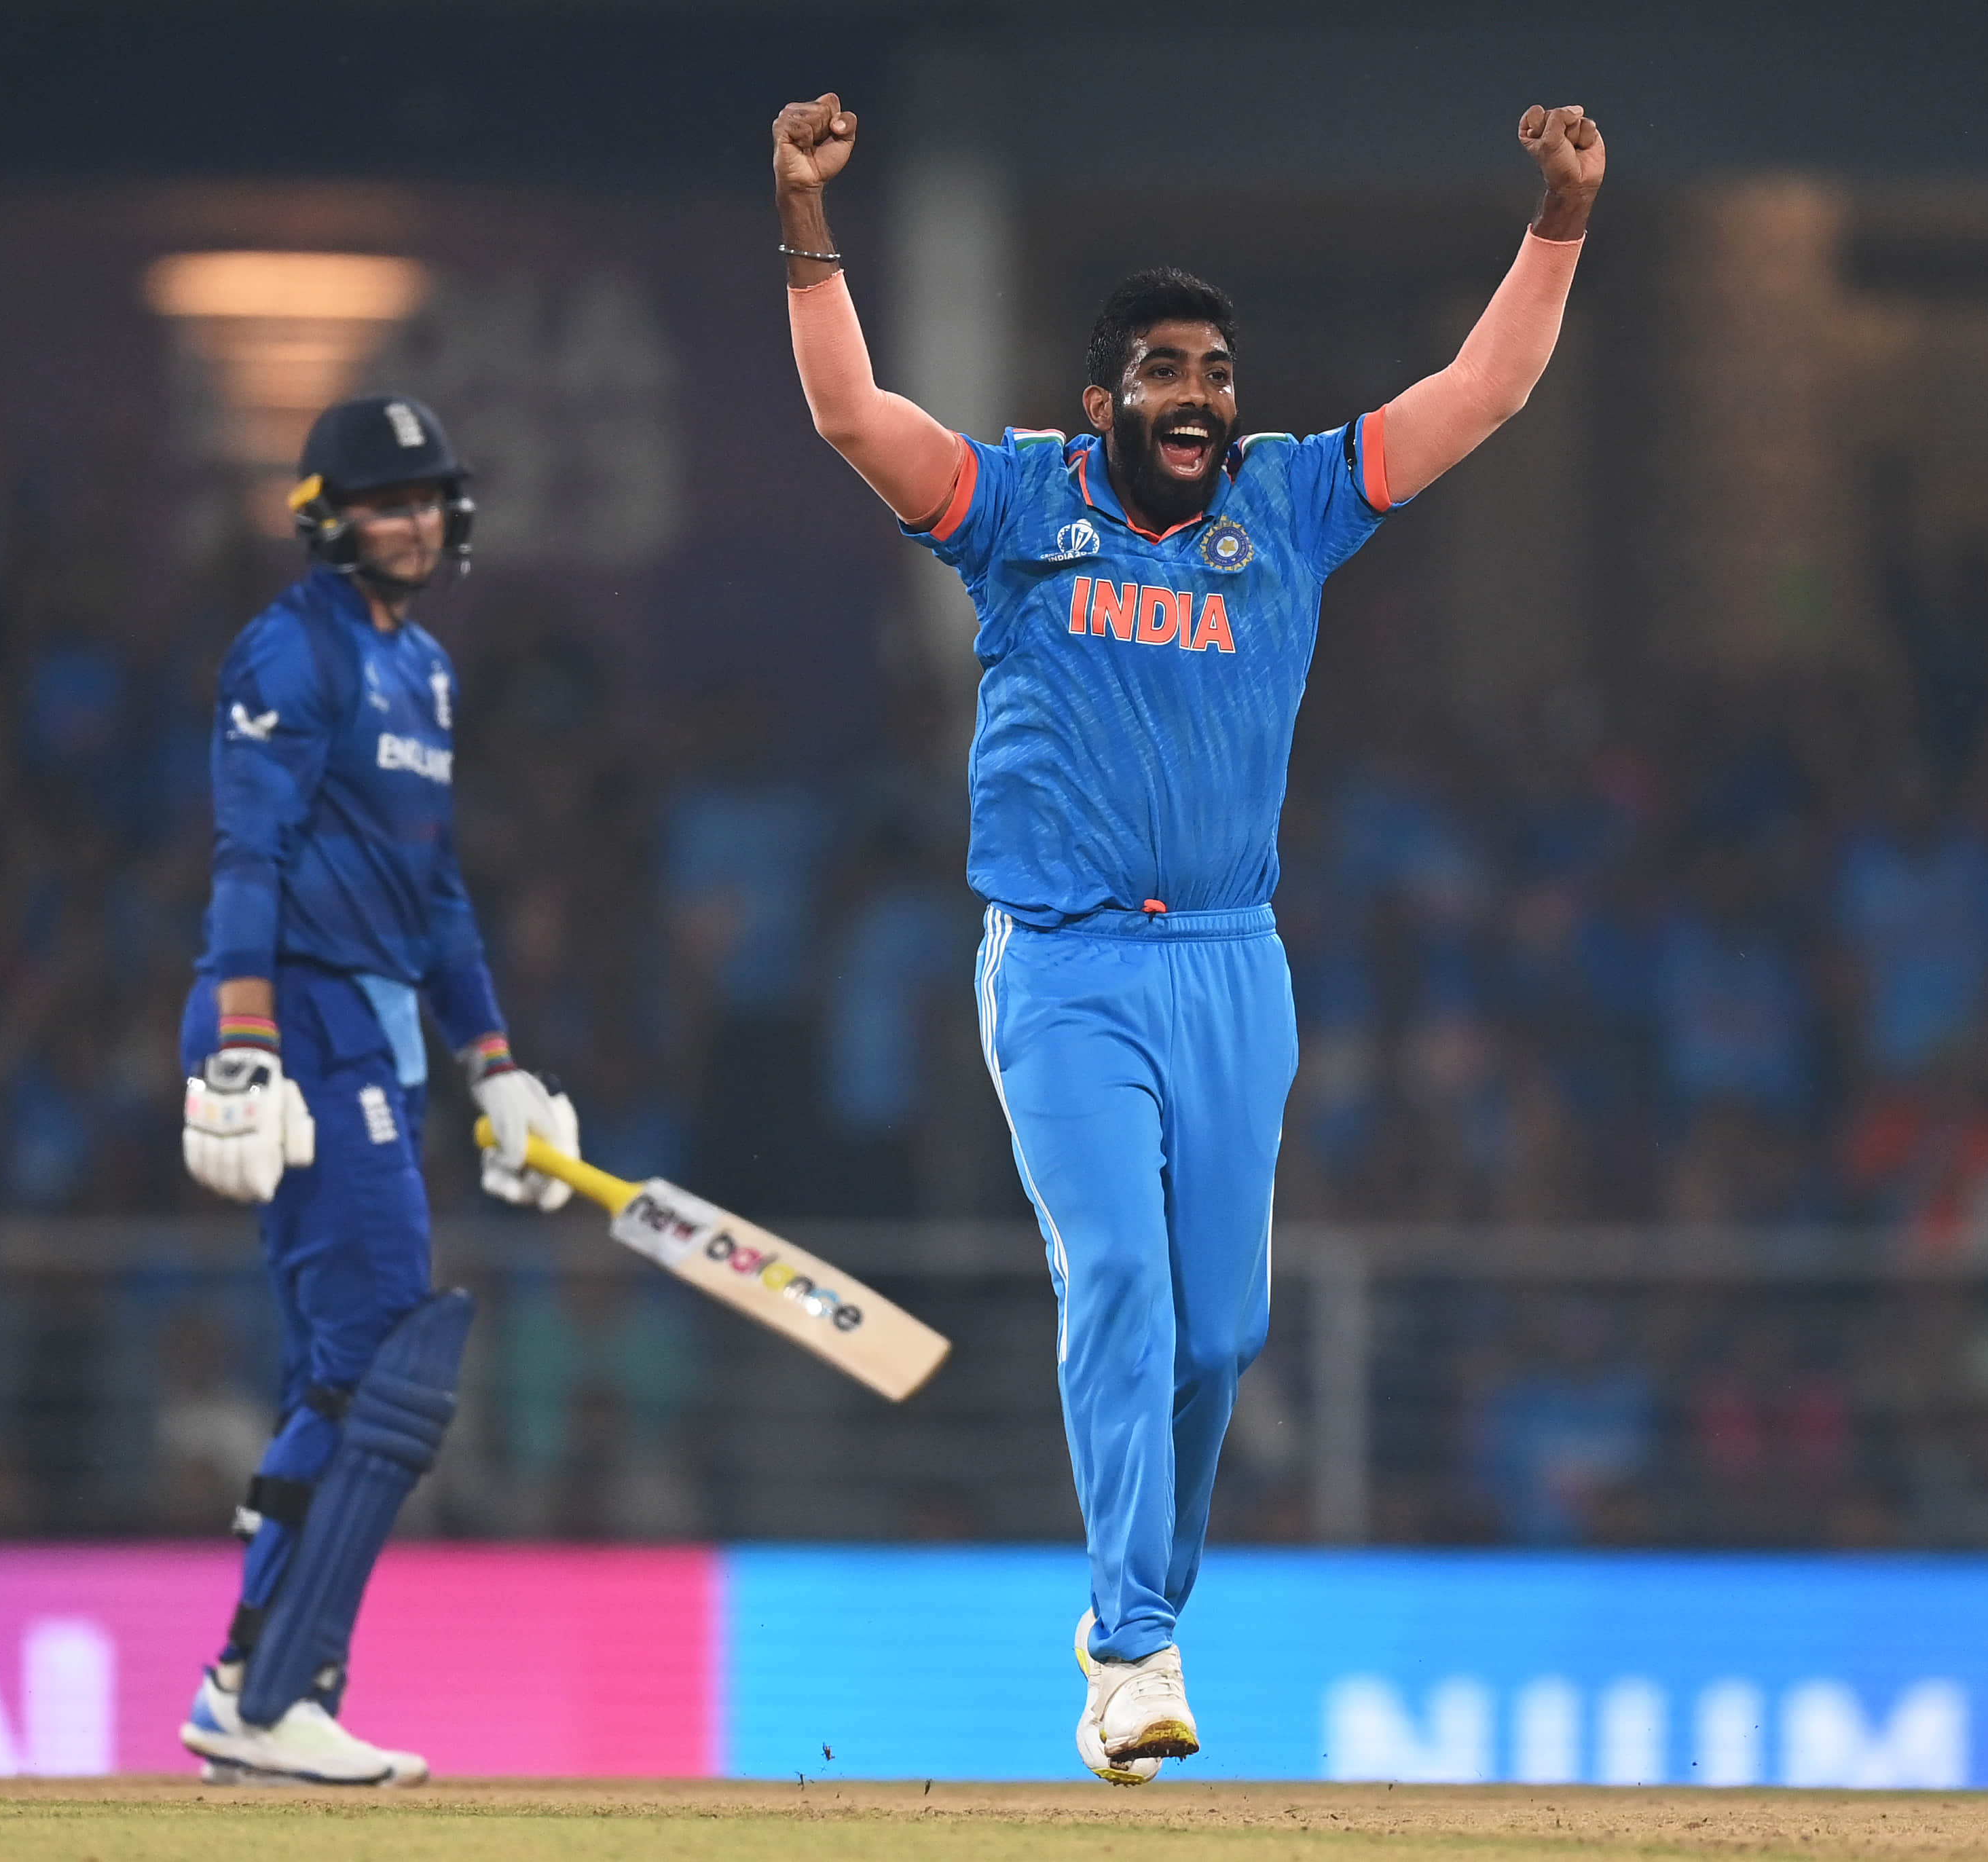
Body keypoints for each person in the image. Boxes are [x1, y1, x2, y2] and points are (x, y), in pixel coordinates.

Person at [773, 91, 1605, 1781]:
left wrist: (1562, 222)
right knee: (1127, 1291)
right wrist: (804, 221)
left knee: (1220, 1337)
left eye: (1218, 373)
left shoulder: (1288, 505)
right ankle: (1132, 1643)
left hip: (1233, 964)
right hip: (1065, 964)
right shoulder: (1020, 506)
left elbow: (1487, 391)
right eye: (1165, 371)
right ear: (1104, 402)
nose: (1201, 396)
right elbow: (854, 413)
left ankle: (1146, 1611)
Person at [172, 393, 579, 1786]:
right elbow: (249, 854)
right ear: (325, 517)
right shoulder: (291, 649)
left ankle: (265, 1687)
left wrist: (495, 1065)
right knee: (385, 1349)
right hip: (296, 1013)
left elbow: (438, 893)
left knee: (346, 1369)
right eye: (381, 500)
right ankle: (264, 1687)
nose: (409, 521)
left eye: (425, 499)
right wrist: (242, 1044)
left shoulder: (429, 673)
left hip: (380, 1027)